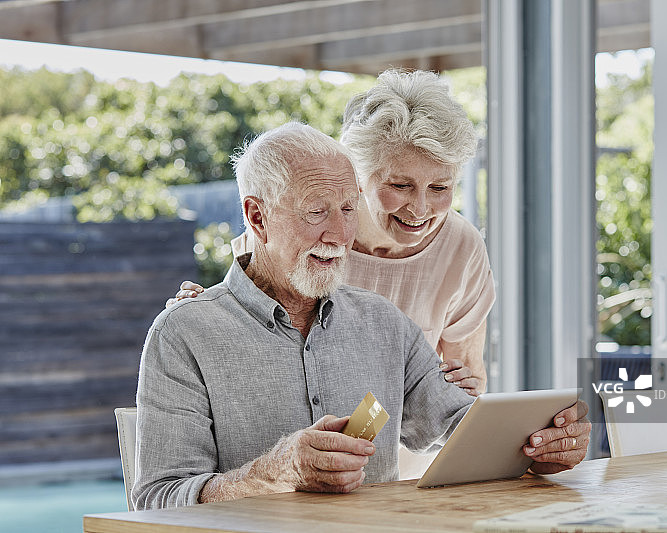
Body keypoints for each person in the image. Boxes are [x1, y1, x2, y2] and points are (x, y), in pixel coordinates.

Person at [134, 123, 591, 510]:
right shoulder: (185, 334)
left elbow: (459, 427)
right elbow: (157, 498)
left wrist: (540, 448)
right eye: (316, 211)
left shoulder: (383, 323)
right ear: (257, 216)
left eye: (349, 209)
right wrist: (275, 472)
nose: (338, 234)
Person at [169, 69, 493, 399]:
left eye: (440, 187)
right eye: (400, 185)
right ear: (359, 176)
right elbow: (248, 355)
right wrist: (203, 320)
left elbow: (467, 389)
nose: (421, 209)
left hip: (413, 448)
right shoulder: (300, 235)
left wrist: (455, 396)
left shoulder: (462, 248)